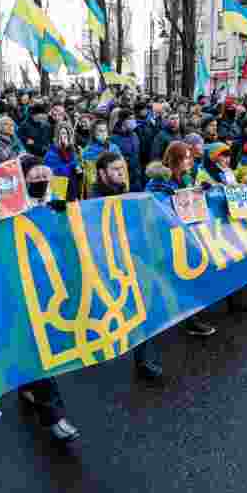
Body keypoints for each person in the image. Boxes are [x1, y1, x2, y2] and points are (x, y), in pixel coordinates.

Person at [0, 155, 82, 443]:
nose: (40, 181)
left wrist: (67, 211)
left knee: (43, 346)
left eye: (43, 176)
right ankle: (55, 416)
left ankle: (27, 385)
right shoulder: (6, 204)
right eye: (32, 177)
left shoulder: (53, 199)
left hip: (50, 286)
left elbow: (74, 236)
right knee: (36, 349)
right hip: (15, 286)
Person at [88, 151, 163, 381]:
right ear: (102, 173)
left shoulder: (126, 192)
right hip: (109, 262)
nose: (121, 173)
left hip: (131, 258)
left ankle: (142, 360)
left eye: (123, 169)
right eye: (115, 170)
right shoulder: (93, 199)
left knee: (141, 307)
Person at [145, 142, 217, 337]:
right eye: (185, 158)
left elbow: (190, 203)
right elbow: (152, 209)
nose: (190, 162)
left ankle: (189, 318)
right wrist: (166, 198)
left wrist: (201, 190)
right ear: (175, 160)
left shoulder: (184, 177)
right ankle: (182, 319)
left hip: (184, 236)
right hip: (167, 239)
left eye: (190, 158)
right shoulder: (158, 182)